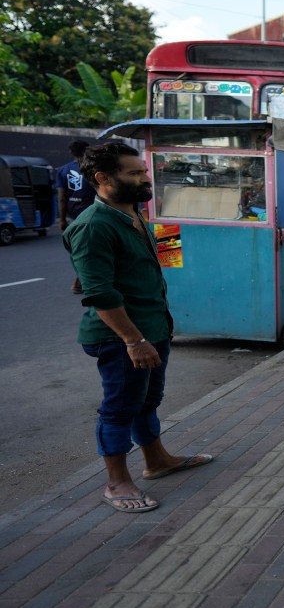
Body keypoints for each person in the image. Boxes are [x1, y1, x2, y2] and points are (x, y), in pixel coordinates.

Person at [63, 142, 213, 513]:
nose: (144, 178)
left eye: (144, 171)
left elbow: (140, 268)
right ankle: (117, 483)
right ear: (103, 179)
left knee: (148, 400)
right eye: (134, 173)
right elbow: (98, 292)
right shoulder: (94, 225)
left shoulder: (134, 213)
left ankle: (157, 460)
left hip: (153, 327)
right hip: (122, 338)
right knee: (119, 408)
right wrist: (133, 340)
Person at [57, 139, 97, 294]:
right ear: (87, 150)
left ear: (71, 152)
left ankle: (80, 281)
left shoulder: (62, 170)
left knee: (79, 249)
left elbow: (61, 198)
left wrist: (62, 219)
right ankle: (80, 281)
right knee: (88, 249)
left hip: (74, 217)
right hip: (91, 215)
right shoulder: (92, 169)